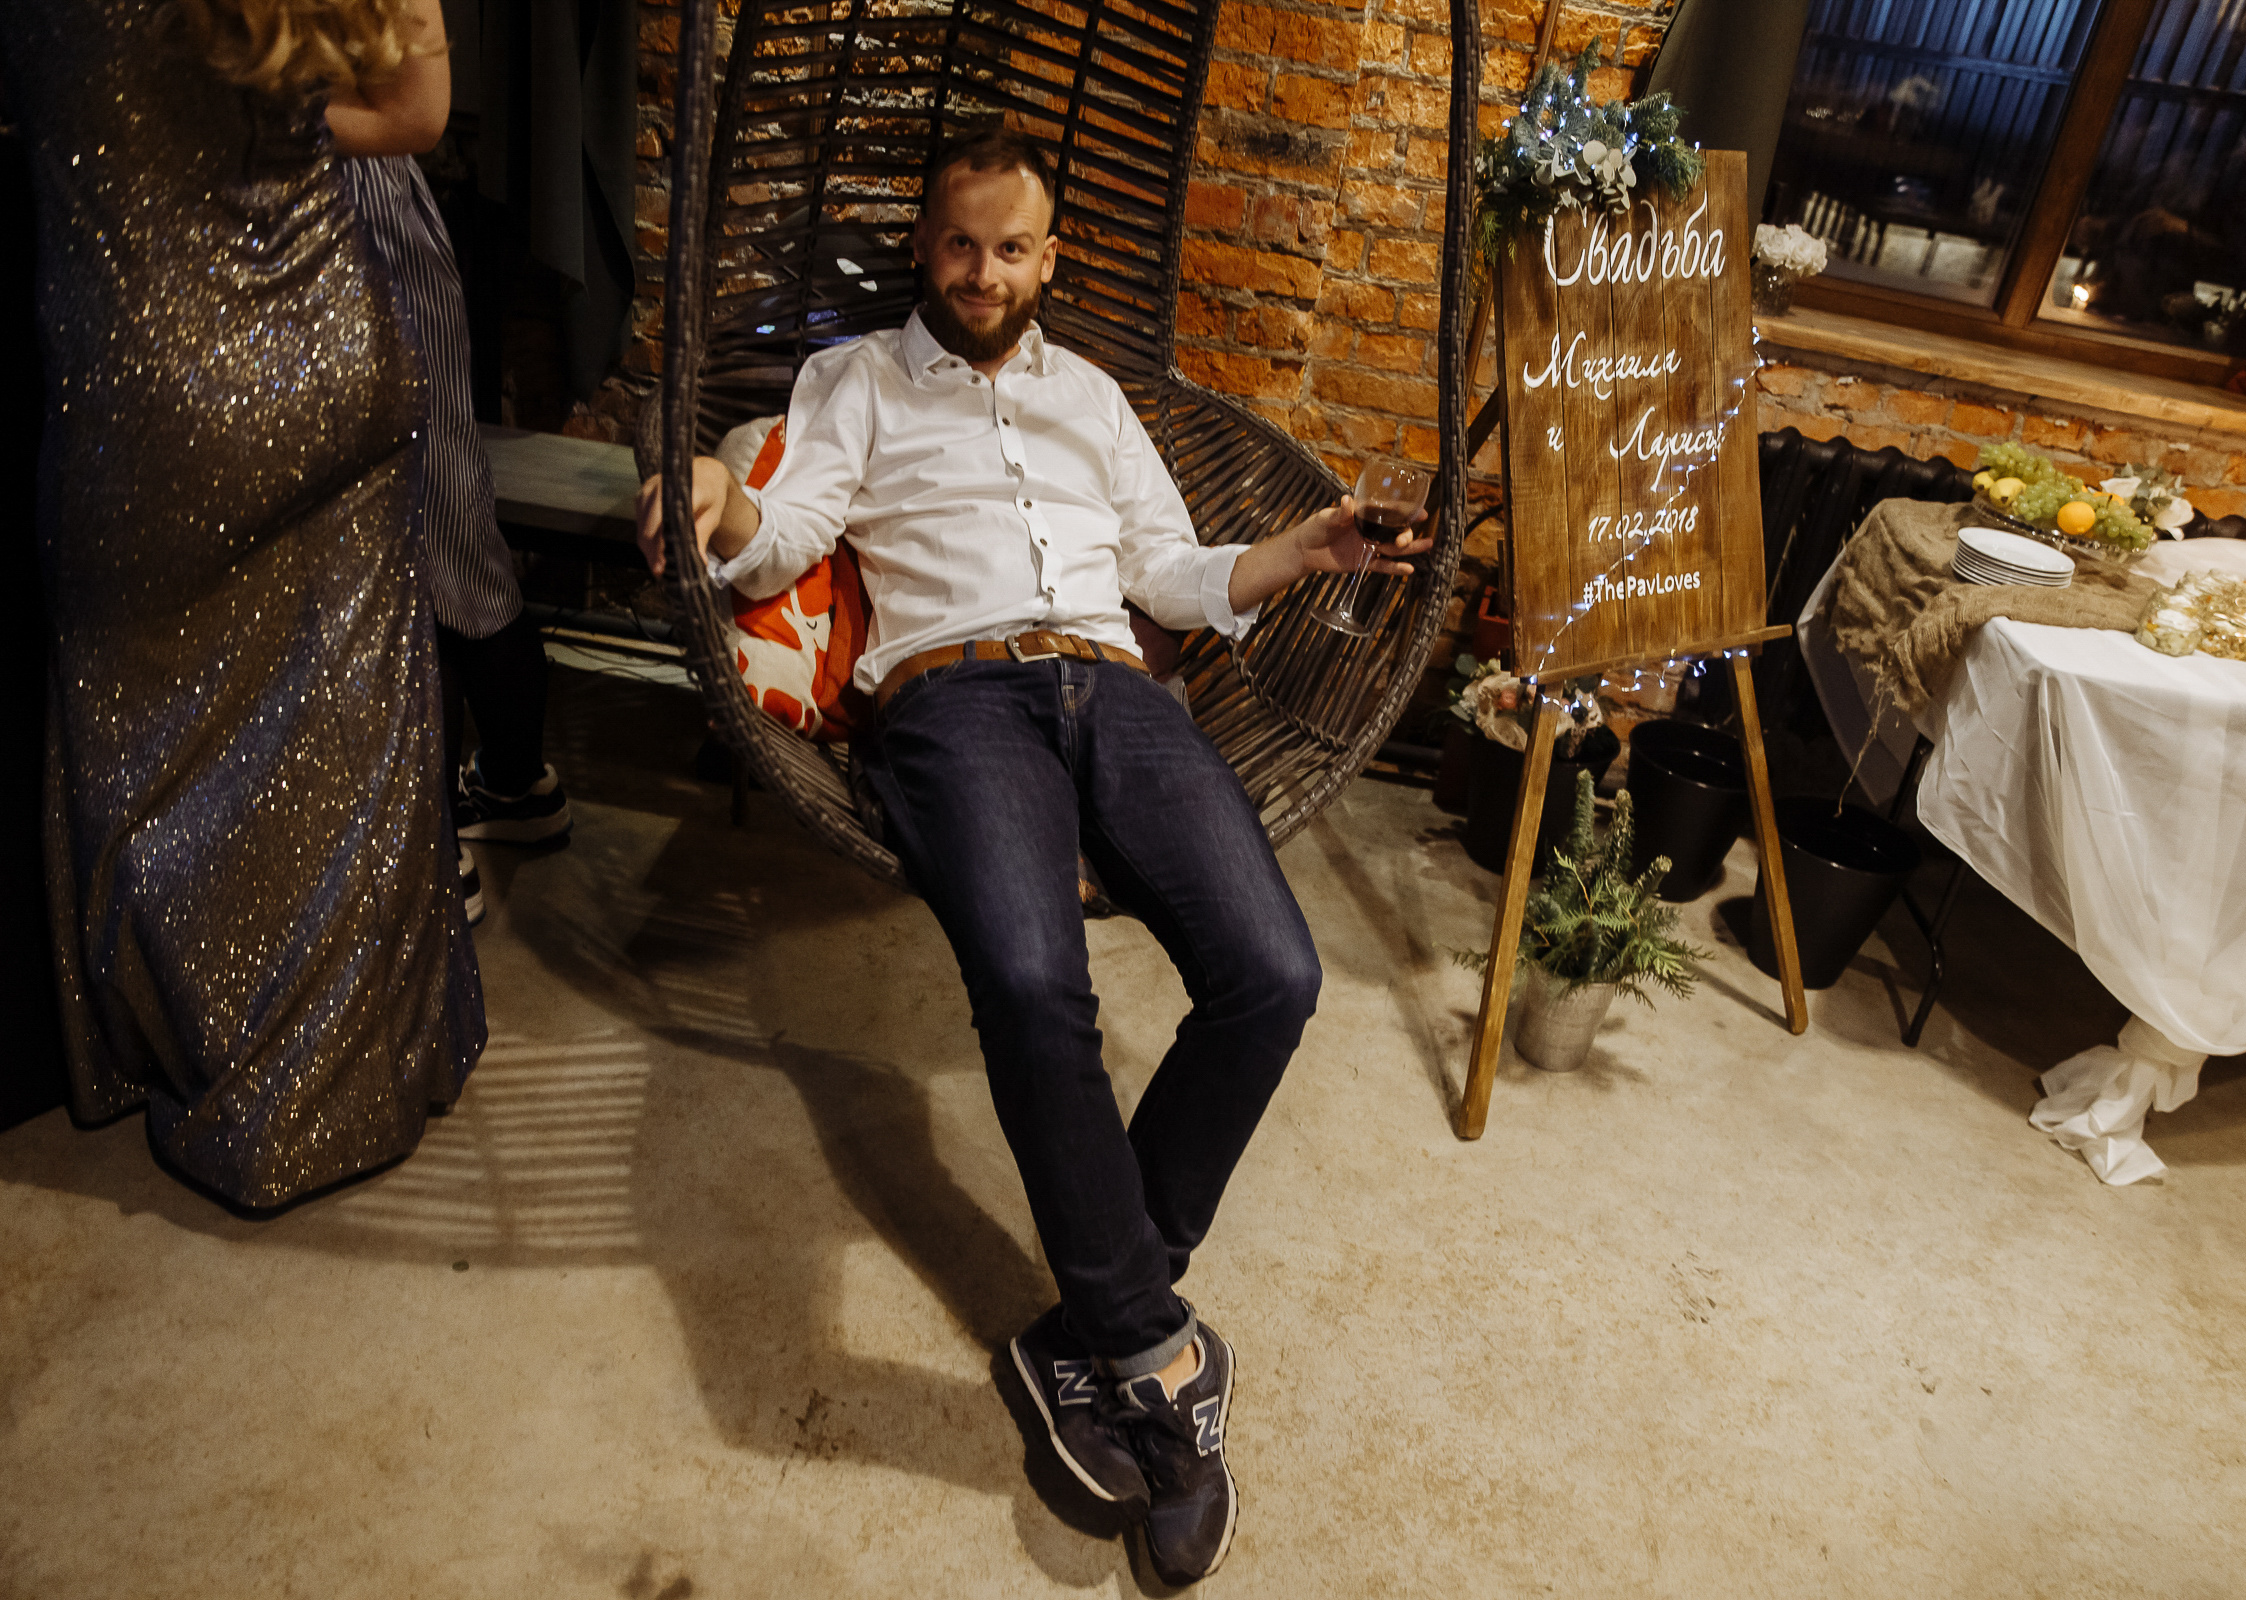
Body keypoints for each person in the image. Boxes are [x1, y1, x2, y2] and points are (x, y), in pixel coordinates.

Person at [639, 129, 1426, 1586]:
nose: (983, 274)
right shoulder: (856, 380)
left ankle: (1094, 1321)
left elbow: (1174, 576)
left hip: (1120, 689)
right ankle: (1147, 1355)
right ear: (922, 245)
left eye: (1012, 250)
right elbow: (778, 540)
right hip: (953, 700)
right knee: (1027, 978)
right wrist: (714, 489)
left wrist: (1301, 554)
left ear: (1049, 257)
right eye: (958, 245)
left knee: (1273, 972)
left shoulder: (1098, 400)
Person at [2, 0, 484, 1209]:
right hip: (323, 348)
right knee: (347, 729)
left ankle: (162, 1048)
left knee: (133, 718)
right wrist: (262, 114)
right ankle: (342, 1089)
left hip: (138, 383)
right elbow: (419, 112)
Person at [333, 32, 573, 927]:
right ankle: (513, 788)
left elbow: (419, 112)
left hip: (343, 216)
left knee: (418, 546)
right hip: (370, 211)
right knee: (452, 531)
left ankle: (432, 846)